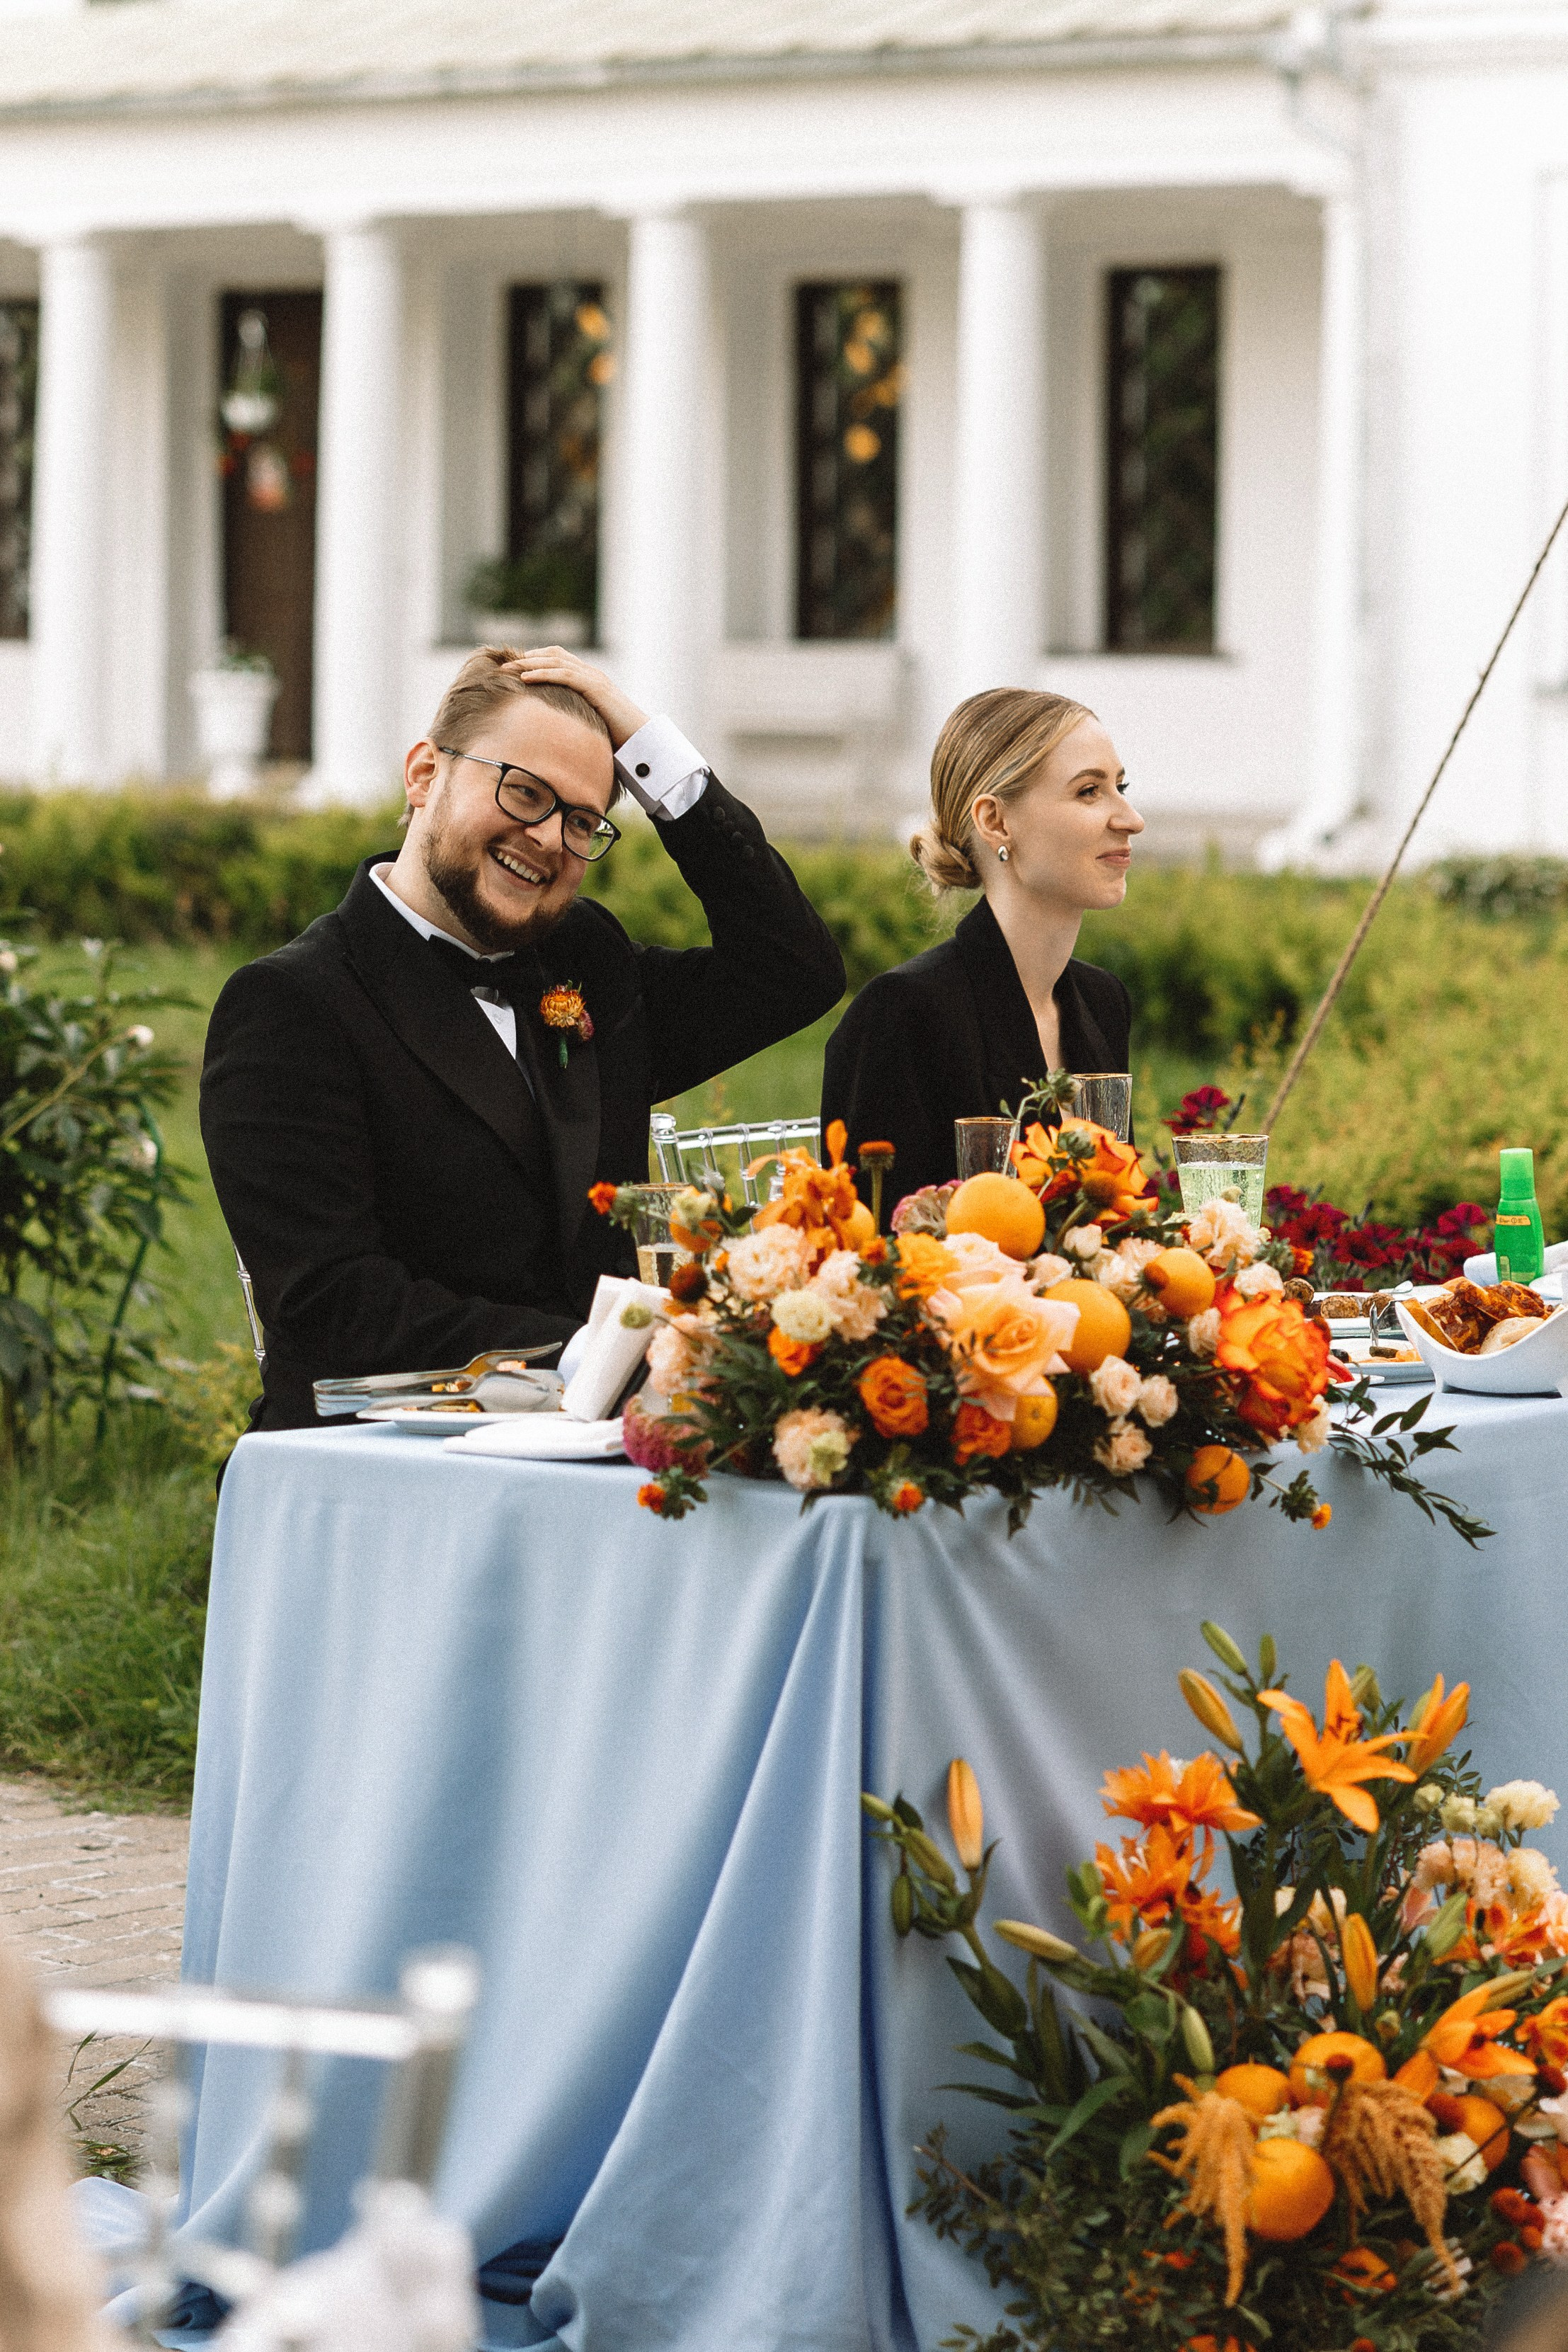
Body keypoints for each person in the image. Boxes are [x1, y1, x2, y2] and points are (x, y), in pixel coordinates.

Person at [201, 647, 845, 1429]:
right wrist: (598, 1354)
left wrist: (652, 752)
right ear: (424, 774)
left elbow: (794, 971)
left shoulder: (587, 963)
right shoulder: (292, 1004)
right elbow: (334, 1304)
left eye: (581, 821)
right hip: (378, 1463)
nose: (546, 838)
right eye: (524, 792)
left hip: (597, 1455)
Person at [821, 687, 1142, 1217]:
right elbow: (874, 1264)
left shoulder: (1102, 1002)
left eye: (1120, 787)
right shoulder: (903, 1013)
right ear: (995, 821)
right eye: (1089, 791)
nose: (1131, 818)